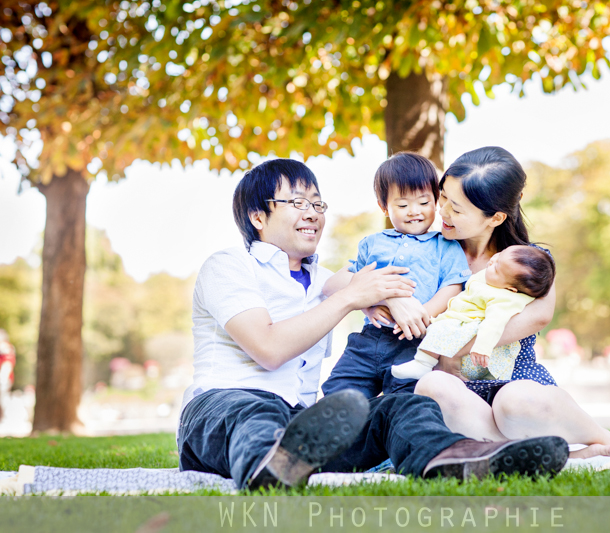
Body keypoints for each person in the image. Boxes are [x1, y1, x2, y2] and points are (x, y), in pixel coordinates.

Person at [177, 157, 570, 490]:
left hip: (301, 425)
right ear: (257, 215)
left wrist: (391, 296)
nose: (313, 212)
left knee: (402, 407)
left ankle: (461, 458)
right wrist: (357, 297)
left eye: (318, 203)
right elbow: (268, 349)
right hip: (223, 408)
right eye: (297, 202)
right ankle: (270, 472)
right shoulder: (229, 265)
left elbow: (371, 285)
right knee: (253, 412)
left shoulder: (323, 278)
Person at [403, 147, 610, 460]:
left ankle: (605, 438)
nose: (442, 211)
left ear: (496, 217)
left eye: (456, 209)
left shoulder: (530, 263)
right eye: (442, 196)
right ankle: (550, 455)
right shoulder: (428, 254)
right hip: (457, 388)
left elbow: (538, 316)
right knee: (433, 385)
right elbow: (371, 285)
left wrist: (450, 345)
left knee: (514, 401)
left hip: (516, 379)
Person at [321, 152, 472, 398]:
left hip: (414, 341)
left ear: (436, 201)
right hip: (370, 337)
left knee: (407, 397)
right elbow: (347, 283)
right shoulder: (372, 243)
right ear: (384, 207)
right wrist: (368, 305)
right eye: (402, 205)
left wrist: (421, 317)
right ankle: (332, 431)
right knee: (341, 390)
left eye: (424, 203)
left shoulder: (445, 245)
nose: (414, 211)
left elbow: (453, 286)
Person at [391, 244, 555, 381]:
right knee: (438, 327)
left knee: (443, 329)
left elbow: (493, 324)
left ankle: (422, 364)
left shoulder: (504, 299)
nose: (492, 261)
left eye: (497, 268)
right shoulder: (493, 279)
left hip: (477, 349)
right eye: (499, 255)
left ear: (510, 288)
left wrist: (481, 348)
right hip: (465, 338)